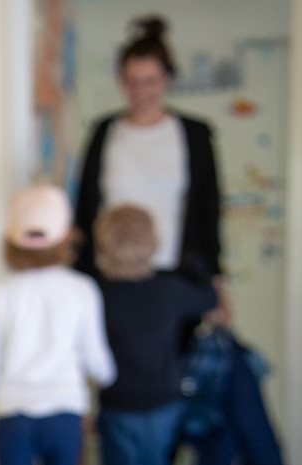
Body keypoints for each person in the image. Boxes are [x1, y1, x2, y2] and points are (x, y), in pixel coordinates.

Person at [73, 15, 230, 326]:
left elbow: (208, 210)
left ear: (168, 79)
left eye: (150, 81)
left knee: (173, 371)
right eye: (131, 81)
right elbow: (85, 208)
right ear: (120, 80)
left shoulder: (195, 135)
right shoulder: (104, 132)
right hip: (109, 279)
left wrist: (217, 280)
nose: (141, 92)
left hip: (175, 277)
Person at [0, 185, 117, 465]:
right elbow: (97, 361)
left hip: (12, 414)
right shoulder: (82, 289)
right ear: (66, 236)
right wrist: (107, 378)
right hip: (65, 413)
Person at [93, 205, 218, 465]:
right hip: (163, 402)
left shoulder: (97, 292)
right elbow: (209, 298)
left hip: (116, 403)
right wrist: (194, 263)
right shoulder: (170, 290)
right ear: (153, 243)